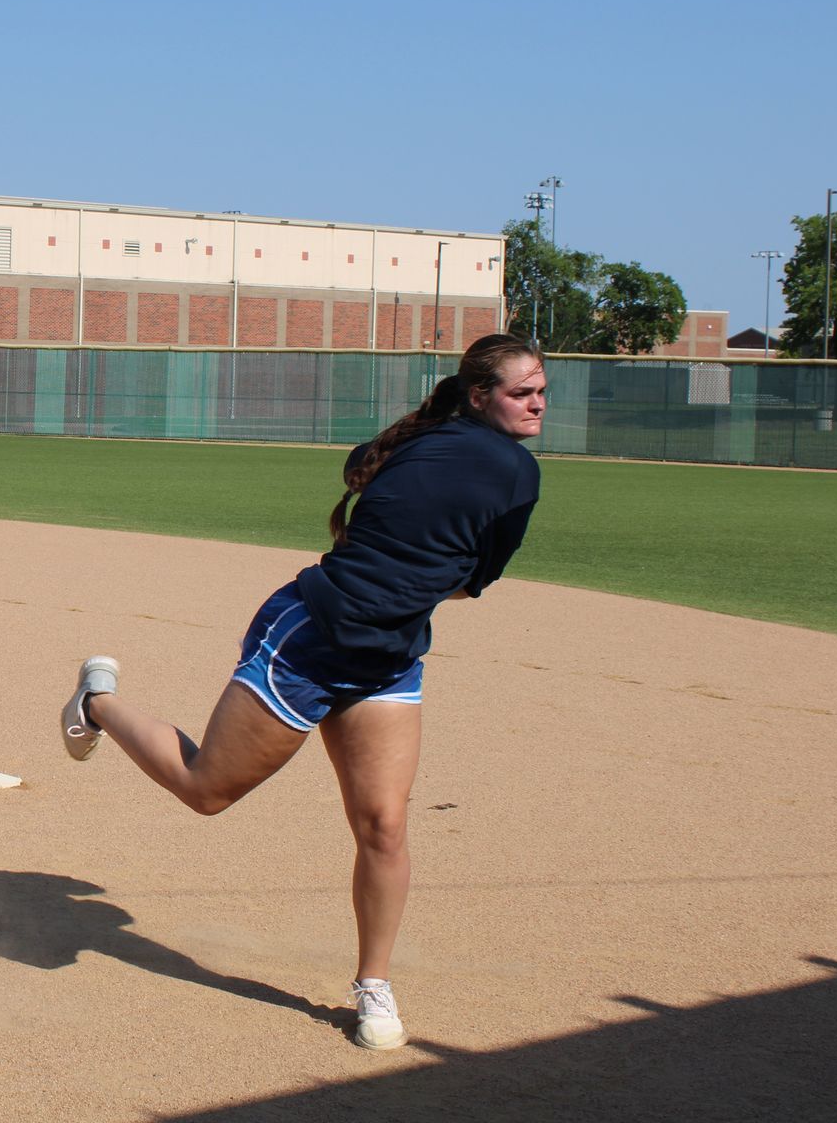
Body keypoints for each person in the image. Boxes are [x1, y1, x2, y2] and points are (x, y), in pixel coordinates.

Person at [58, 332, 546, 1051]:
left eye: (541, 392)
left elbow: (452, 554)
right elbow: (472, 578)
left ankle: (373, 985)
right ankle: (96, 703)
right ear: (479, 397)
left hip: (388, 661)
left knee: (383, 825)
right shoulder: (453, 451)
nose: (537, 405)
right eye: (520, 392)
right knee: (205, 790)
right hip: (308, 640)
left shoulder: (498, 465)